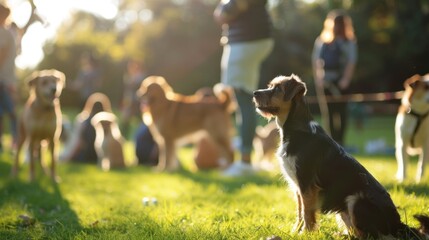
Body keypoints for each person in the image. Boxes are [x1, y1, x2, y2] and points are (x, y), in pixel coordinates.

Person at [214, 0, 274, 176]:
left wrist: (221, 11)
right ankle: (246, 158)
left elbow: (228, 11)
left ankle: (245, 163)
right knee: (244, 98)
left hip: (245, 41)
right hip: (251, 39)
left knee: (243, 100)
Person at [312, 9, 357, 146]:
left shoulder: (349, 42)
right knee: (329, 113)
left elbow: (351, 62)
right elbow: (316, 61)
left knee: (342, 113)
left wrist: (346, 80)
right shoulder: (322, 42)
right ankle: (332, 142)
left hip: (341, 83)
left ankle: (341, 141)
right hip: (326, 83)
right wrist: (319, 79)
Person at [60, 93, 112, 163]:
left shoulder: (84, 121)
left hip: (85, 156)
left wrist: (69, 158)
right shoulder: (108, 123)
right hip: (99, 158)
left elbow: (79, 143)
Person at [0, 3, 17, 152]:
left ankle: (15, 142)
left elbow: (1, 56)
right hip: (7, 79)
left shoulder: (3, 33)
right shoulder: (9, 32)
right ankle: (15, 142)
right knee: (10, 112)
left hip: (2, 80)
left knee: (8, 113)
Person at [120, 59, 148, 138]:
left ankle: (142, 136)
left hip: (137, 102)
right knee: (125, 120)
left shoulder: (141, 77)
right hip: (128, 101)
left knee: (140, 120)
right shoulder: (128, 77)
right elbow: (125, 90)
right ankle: (123, 137)